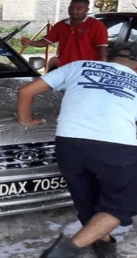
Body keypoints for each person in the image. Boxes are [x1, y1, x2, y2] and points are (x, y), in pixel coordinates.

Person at [17, 47, 137, 258]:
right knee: (124, 204)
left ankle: (106, 250)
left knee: (89, 204)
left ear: (107, 58)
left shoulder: (77, 66)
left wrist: (26, 120)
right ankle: (63, 253)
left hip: (68, 145)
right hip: (116, 146)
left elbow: (26, 91)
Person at [20, 0, 108, 71]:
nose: (74, 11)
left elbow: (102, 48)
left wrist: (102, 68)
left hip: (86, 69)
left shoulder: (96, 25)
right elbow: (46, 41)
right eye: (71, 8)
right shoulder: (60, 25)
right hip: (64, 69)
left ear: (87, 10)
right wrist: (30, 42)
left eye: (79, 8)